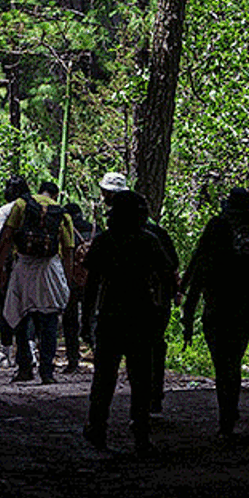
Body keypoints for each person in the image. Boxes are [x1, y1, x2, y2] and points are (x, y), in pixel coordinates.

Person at [80, 189, 174, 454]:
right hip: (141, 314)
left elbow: (92, 284)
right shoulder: (148, 241)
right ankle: (140, 431)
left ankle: (98, 427)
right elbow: (168, 274)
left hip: (110, 314)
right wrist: (160, 307)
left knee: (104, 376)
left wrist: (86, 319)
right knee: (140, 376)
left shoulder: (104, 241)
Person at [181, 186, 249, 437]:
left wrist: (187, 317)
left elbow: (195, 276)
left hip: (216, 316)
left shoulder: (210, 257)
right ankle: (232, 406)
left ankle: (228, 412)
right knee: (233, 363)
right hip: (242, 314)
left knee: (223, 367)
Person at [99, 171, 179, 413]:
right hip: (151, 303)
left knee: (116, 362)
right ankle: (148, 404)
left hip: (129, 305)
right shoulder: (153, 233)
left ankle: (103, 418)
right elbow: (170, 267)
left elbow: (95, 276)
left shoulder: (116, 236)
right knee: (148, 353)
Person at [0, 179, 73, 383]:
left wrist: (1, 267)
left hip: (23, 267)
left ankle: (24, 367)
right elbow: (68, 250)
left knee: (21, 318)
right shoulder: (62, 213)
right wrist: (68, 280)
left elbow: (7, 237)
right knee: (48, 322)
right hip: (49, 270)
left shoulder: (22, 205)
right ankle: (47, 372)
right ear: (55, 195)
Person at [0, 177, 30, 367]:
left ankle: (5, 353)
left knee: (7, 306)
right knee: (29, 307)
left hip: (10, 263)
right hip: (31, 263)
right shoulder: (33, 207)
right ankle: (30, 350)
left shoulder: (6, 210)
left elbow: (0, 238)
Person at [60, 201, 96, 374]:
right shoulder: (95, 230)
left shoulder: (66, 230)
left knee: (70, 320)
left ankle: (73, 360)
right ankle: (98, 354)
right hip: (93, 281)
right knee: (93, 318)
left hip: (72, 281)